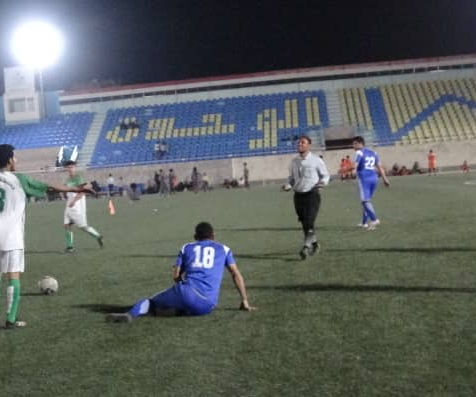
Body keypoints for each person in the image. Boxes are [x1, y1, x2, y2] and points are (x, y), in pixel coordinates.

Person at [0, 144, 93, 328]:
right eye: (14, 157)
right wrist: (76, 190)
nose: (16, 160)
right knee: (13, 277)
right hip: (12, 237)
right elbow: (49, 187)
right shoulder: (19, 179)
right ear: (9, 161)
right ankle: (10, 319)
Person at [107, 222, 253, 322]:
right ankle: (177, 310)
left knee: (150, 302)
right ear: (213, 236)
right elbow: (235, 274)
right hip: (208, 305)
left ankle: (131, 314)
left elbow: (176, 276)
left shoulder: (186, 247)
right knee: (188, 307)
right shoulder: (224, 249)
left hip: (186, 291)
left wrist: (182, 285)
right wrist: (244, 301)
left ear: (195, 237)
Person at [287, 134, 330, 259]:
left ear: (309, 145)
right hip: (298, 196)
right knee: (305, 224)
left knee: (309, 221)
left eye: (303, 143)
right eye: (299, 143)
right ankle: (315, 244)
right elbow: (291, 179)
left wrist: (322, 184)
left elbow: (325, 175)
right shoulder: (294, 162)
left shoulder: (317, 160)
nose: (300, 144)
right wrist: (288, 186)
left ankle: (305, 248)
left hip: (312, 195)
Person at [58, 146, 104, 253]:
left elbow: (82, 191)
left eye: (71, 167)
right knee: (66, 225)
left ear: (75, 167)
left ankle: (98, 236)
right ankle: (70, 247)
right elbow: (65, 188)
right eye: (68, 167)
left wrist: (74, 201)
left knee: (83, 226)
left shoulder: (78, 177)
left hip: (76, 204)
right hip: (69, 204)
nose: (69, 169)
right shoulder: (68, 179)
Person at [352, 136, 391, 230]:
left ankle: (374, 219)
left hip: (364, 179)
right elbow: (379, 167)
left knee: (365, 201)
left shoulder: (359, 152)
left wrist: (353, 170)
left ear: (360, 144)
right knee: (367, 200)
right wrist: (385, 179)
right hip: (374, 178)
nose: (353, 146)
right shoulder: (373, 152)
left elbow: (355, 165)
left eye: (354, 143)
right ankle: (364, 223)